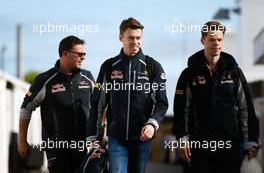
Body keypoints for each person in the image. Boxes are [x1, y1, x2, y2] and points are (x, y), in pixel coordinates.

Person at [173, 21, 259, 173]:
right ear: (203, 40)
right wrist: (182, 139)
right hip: (198, 147)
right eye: (212, 39)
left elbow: (246, 109)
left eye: (219, 40)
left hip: (229, 146)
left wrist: (250, 141)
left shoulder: (234, 72)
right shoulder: (189, 74)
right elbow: (181, 110)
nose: (216, 43)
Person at [92, 17, 168, 173]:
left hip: (142, 138)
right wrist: (93, 135)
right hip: (116, 138)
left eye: (138, 38)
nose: (135, 41)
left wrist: (152, 124)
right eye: (131, 38)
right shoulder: (108, 66)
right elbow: (98, 103)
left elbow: (161, 102)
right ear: (121, 37)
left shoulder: (153, 67)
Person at [18, 35, 95, 172]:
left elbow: (99, 106)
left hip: (85, 148)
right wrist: (22, 140)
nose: (83, 57)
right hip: (58, 150)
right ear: (65, 54)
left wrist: (101, 134)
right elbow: (26, 108)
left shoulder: (88, 77)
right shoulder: (44, 80)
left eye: (84, 54)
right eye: (79, 54)